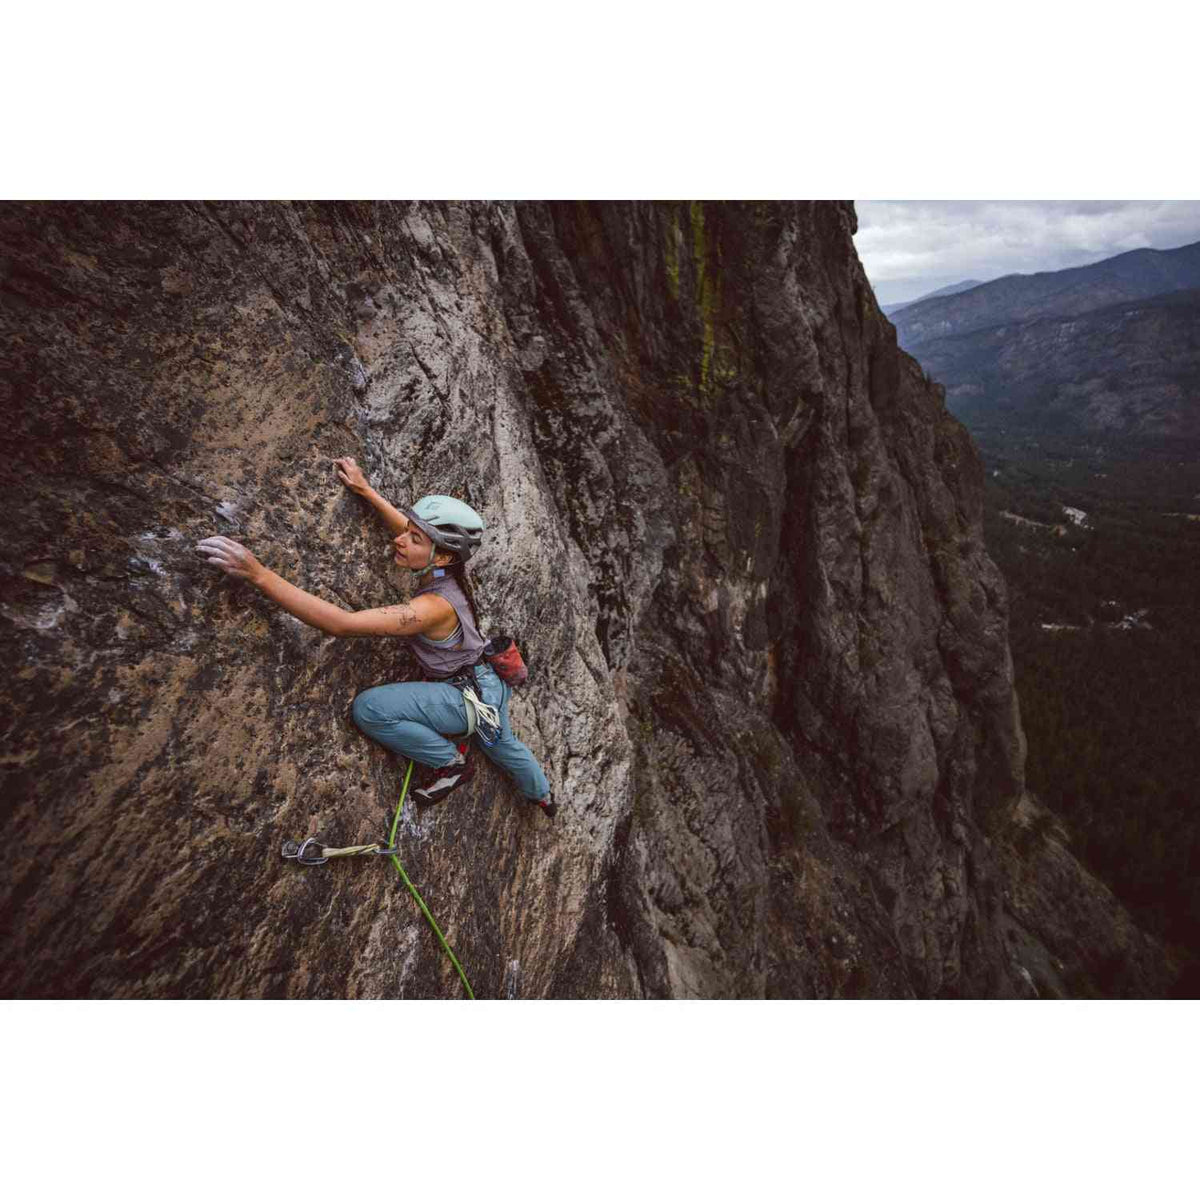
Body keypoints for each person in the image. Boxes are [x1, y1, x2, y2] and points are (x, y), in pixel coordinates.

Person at [196, 457, 556, 818]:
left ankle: (449, 763)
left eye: (413, 538)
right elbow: (409, 531)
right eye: (408, 531)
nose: (400, 539)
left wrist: (259, 574)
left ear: (442, 556)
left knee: (370, 709)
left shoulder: (432, 607)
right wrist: (365, 491)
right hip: (487, 686)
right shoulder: (446, 568)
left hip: (466, 698)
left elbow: (342, 624)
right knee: (504, 745)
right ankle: (542, 795)